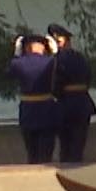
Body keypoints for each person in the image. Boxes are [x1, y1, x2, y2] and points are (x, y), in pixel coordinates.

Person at [48, 23, 96, 163]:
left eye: (58, 41)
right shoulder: (80, 57)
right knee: (78, 143)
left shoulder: (56, 60)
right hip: (82, 103)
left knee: (66, 144)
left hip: (65, 104)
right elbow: (88, 78)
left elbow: (55, 84)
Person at [9, 33, 60, 164]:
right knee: (46, 150)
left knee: (31, 151)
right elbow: (61, 68)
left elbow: (9, 72)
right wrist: (56, 53)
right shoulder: (51, 61)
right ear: (44, 47)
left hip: (28, 109)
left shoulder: (18, 63)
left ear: (26, 47)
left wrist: (16, 54)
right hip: (47, 109)